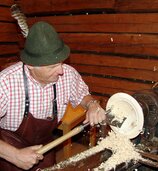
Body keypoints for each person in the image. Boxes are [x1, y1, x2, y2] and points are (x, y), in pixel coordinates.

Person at [0, 21, 106, 170]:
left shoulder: (68, 74)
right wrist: (14, 155)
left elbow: (82, 96)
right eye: (52, 67)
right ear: (30, 65)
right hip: (9, 151)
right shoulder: (5, 83)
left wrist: (92, 104)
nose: (61, 71)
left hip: (46, 147)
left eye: (61, 63)